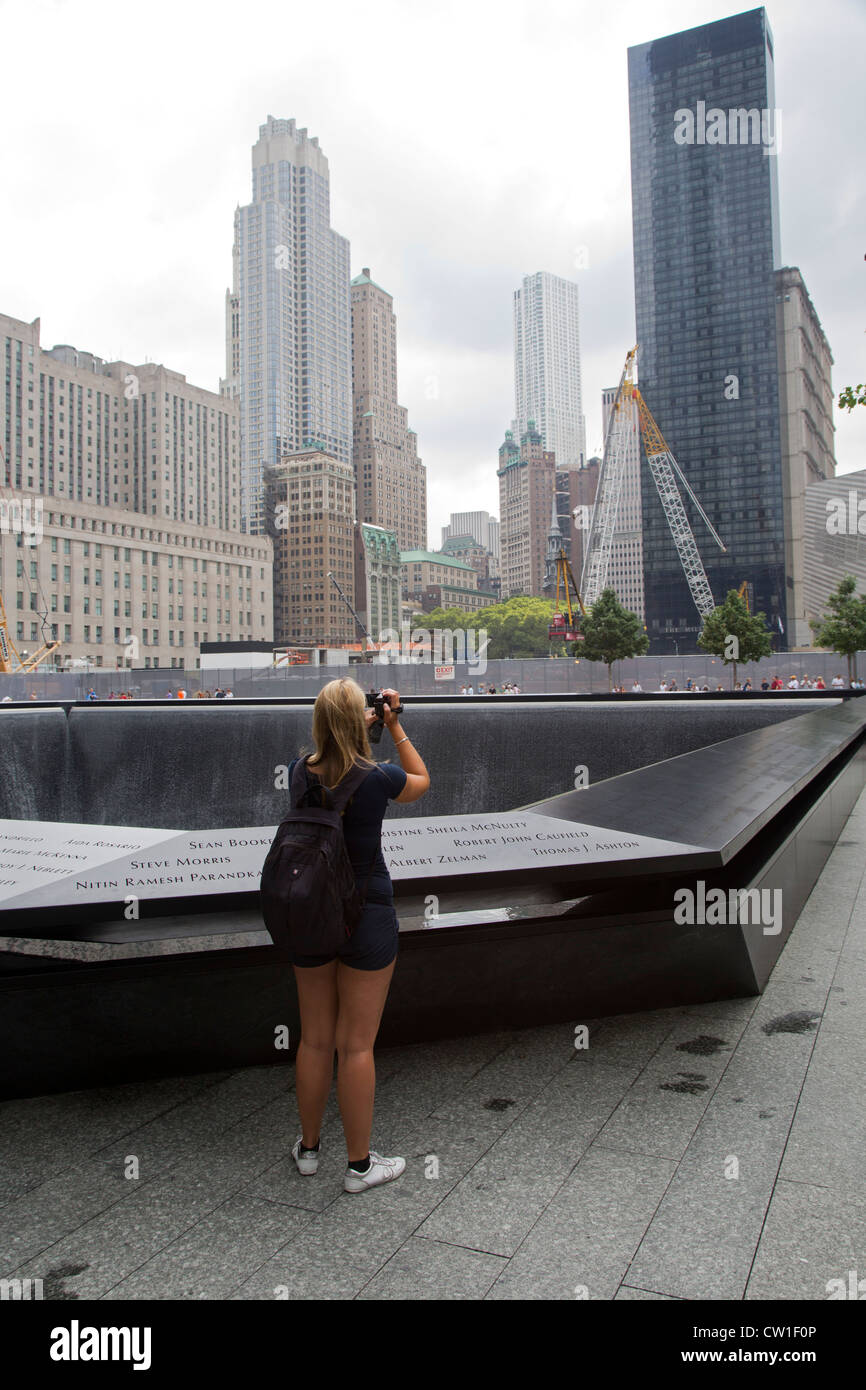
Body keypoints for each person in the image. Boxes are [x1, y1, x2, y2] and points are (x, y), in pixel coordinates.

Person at [286, 680, 430, 1194]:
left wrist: (352, 725)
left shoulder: (299, 773)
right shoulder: (379, 777)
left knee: (315, 1039)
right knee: (357, 1046)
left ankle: (308, 1152)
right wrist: (391, 723)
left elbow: (331, 763)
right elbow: (420, 778)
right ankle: (360, 1167)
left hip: (311, 915)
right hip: (366, 916)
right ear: (360, 719)